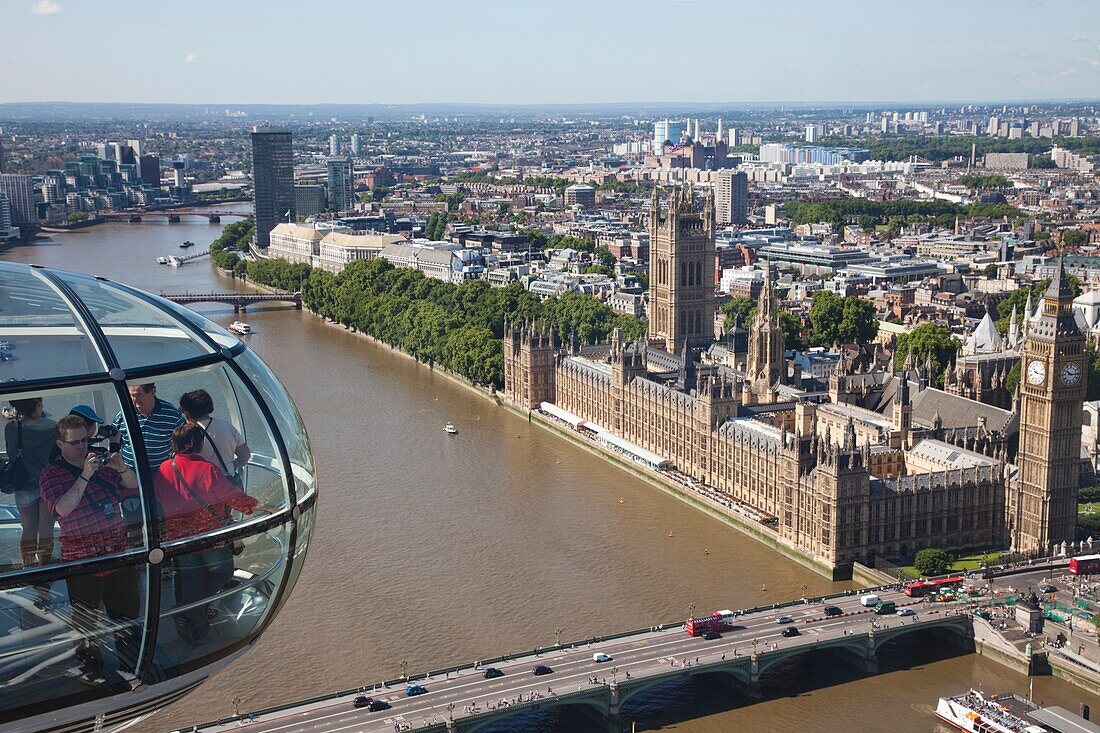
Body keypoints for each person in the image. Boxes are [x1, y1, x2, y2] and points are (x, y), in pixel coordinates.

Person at [39, 415, 141, 683]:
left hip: (117, 553)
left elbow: (133, 485)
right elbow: (62, 509)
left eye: (85, 439)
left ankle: (133, 666)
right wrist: (85, 475)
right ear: (60, 443)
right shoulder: (52, 474)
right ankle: (92, 670)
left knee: (128, 616)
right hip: (82, 560)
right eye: (75, 442)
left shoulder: (101, 458)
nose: (83, 447)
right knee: (86, 622)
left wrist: (120, 467)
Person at [154, 423, 259, 644]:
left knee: (190, 580)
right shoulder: (207, 469)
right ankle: (195, 620)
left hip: (180, 539)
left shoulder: (164, 468)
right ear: (197, 445)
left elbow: (160, 501)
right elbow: (231, 497)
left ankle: (191, 617)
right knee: (223, 571)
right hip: (209, 536)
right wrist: (257, 507)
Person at [5, 397, 58, 569]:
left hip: (24, 484)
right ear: (37, 405)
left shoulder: (12, 428)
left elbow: (12, 456)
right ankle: (44, 570)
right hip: (47, 483)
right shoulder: (52, 426)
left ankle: (27, 569)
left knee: (28, 530)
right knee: (46, 531)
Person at [179, 389, 251, 485]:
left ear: (187, 414)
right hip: (230, 483)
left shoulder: (186, 434)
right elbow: (245, 455)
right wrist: (233, 465)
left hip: (205, 487)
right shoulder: (227, 426)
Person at [113, 383, 184, 474]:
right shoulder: (123, 416)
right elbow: (114, 441)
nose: (135, 400)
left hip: (162, 473)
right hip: (130, 473)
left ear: (153, 391)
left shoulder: (173, 415)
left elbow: (183, 445)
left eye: (139, 395)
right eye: (132, 395)